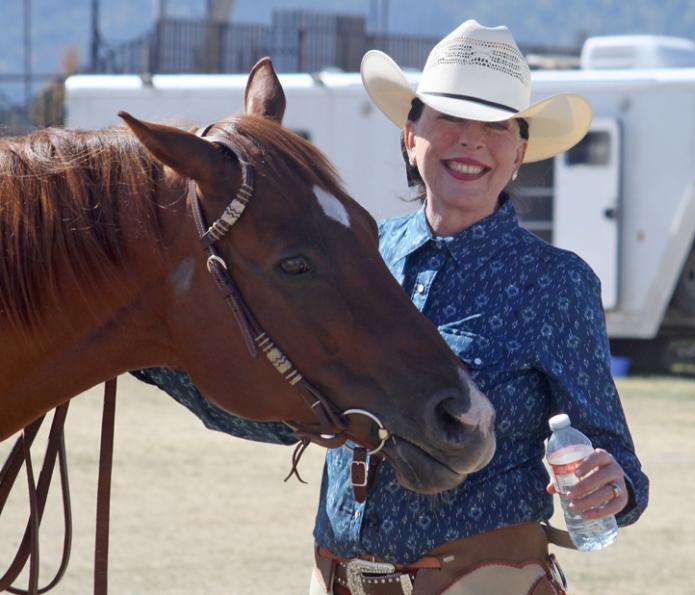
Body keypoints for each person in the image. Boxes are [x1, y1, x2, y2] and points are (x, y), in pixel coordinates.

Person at [135, 20, 648, 595]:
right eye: (449, 117)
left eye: (495, 126)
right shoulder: (360, 252)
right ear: (410, 135)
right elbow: (294, 419)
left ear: (520, 152)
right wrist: (146, 361)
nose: (471, 140)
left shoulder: (555, 283)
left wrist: (614, 487)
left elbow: (619, 463)